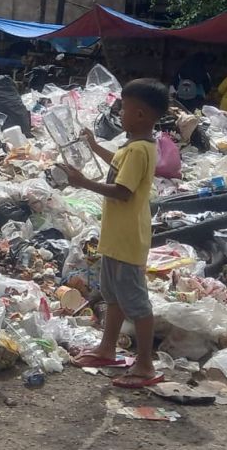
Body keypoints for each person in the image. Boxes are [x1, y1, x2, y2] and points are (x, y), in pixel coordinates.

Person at [62, 78, 169, 389]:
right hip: (116, 237)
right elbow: (119, 166)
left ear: (139, 115)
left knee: (136, 303)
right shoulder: (133, 147)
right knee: (114, 297)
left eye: (123, 109)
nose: (119, 114)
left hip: (127, 239)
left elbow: (122, 191)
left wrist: (82, 182)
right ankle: (107, 349)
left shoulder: (139, 150)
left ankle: (146, 365)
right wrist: (94, 146)